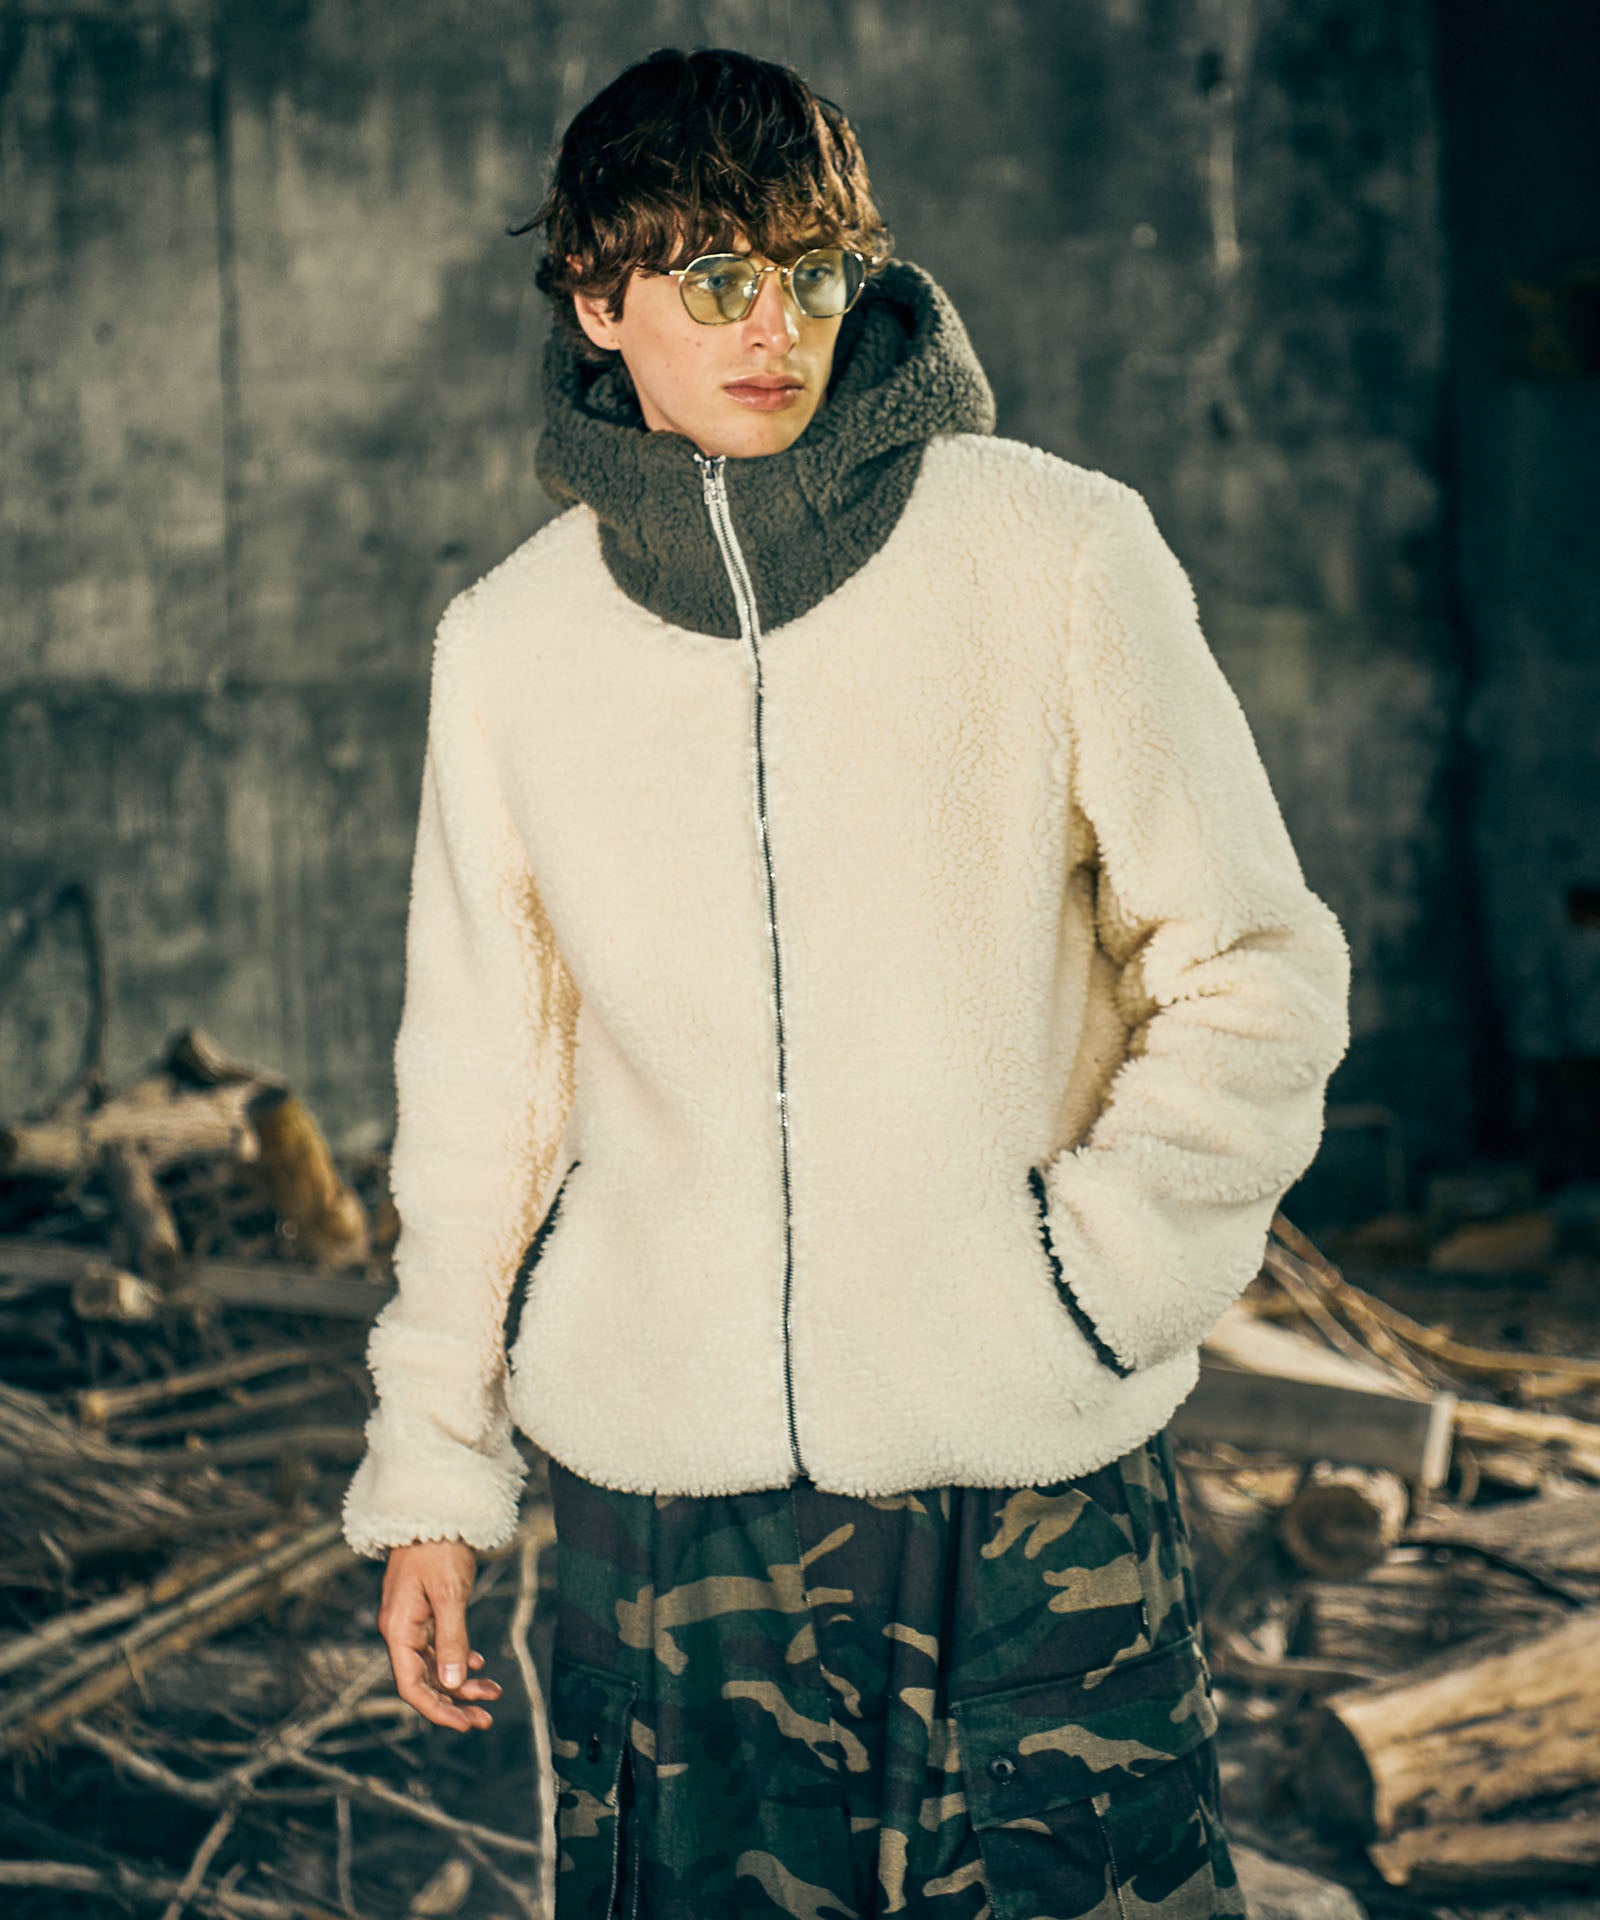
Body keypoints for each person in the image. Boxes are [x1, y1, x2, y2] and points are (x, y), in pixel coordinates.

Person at [341, 44, 1351, 1920]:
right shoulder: (513, 646)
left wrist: (1090, 1285)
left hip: (1023, 1481)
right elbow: (486, 1091)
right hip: (665, 1509)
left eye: (813, 272)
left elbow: (1253, 966)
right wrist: (433, 1473)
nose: (776, 326)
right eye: (717, 277)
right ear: (596, 298)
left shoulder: (1054, 550)